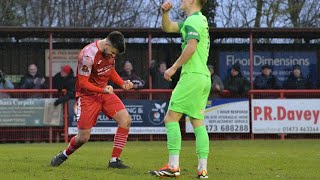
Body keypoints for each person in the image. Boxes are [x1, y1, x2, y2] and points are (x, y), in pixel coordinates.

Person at [50, 31, 134, 168]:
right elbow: (83, 83)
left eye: (115, 54)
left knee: (126, 120)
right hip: (87, 96)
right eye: (112, 52)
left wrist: (122, 83)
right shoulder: (88, 55)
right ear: (106, 44)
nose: (113, 56)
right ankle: (64, 154)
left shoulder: (110, 51)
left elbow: (110, 69)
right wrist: (103, 89)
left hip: (104, 93)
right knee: (83, 138)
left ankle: (114, 160)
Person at [149, 0, 211, 178]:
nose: (181, 1)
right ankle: (202, 169)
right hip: (203, 77)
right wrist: (165, 14)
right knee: (197, 122)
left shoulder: (193, 21)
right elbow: (168, 28)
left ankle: (173, 166)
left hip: (191, 76)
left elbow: (191, 47)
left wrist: (173, 67)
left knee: (170, 118)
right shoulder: (199, 20)